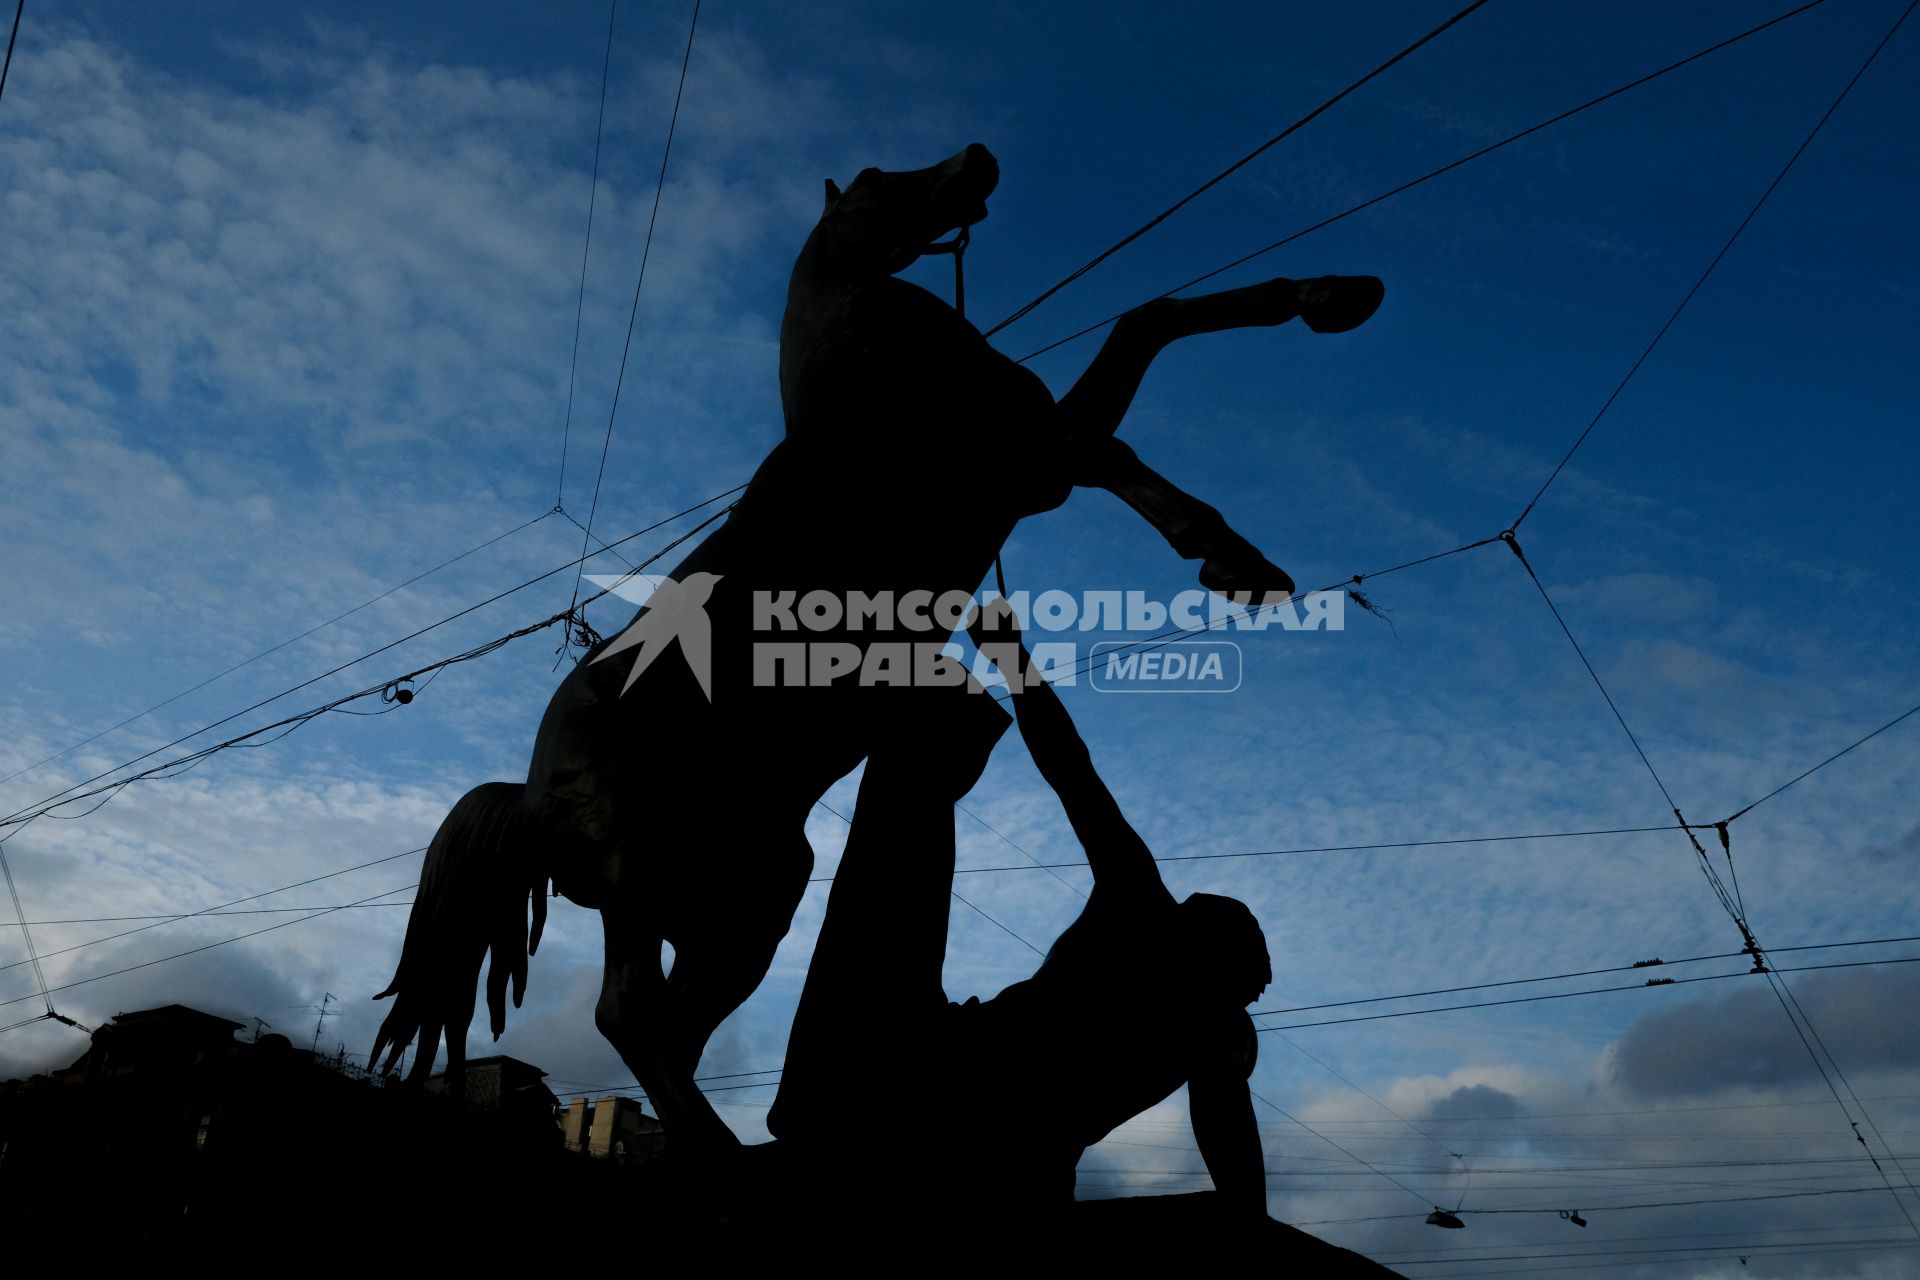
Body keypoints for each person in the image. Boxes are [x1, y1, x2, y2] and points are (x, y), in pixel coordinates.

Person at [769, 600, 1273, 1223]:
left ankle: (928, 727)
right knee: (922, 766)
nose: (1189, 899)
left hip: (920, 1066)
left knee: (907, 809)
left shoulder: (1147, 914)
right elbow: (1234, 1157)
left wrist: (1012, 656)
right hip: (1016, 1157)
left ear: (1204, 943)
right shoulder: (1219, 1034)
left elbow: (1073, 770)